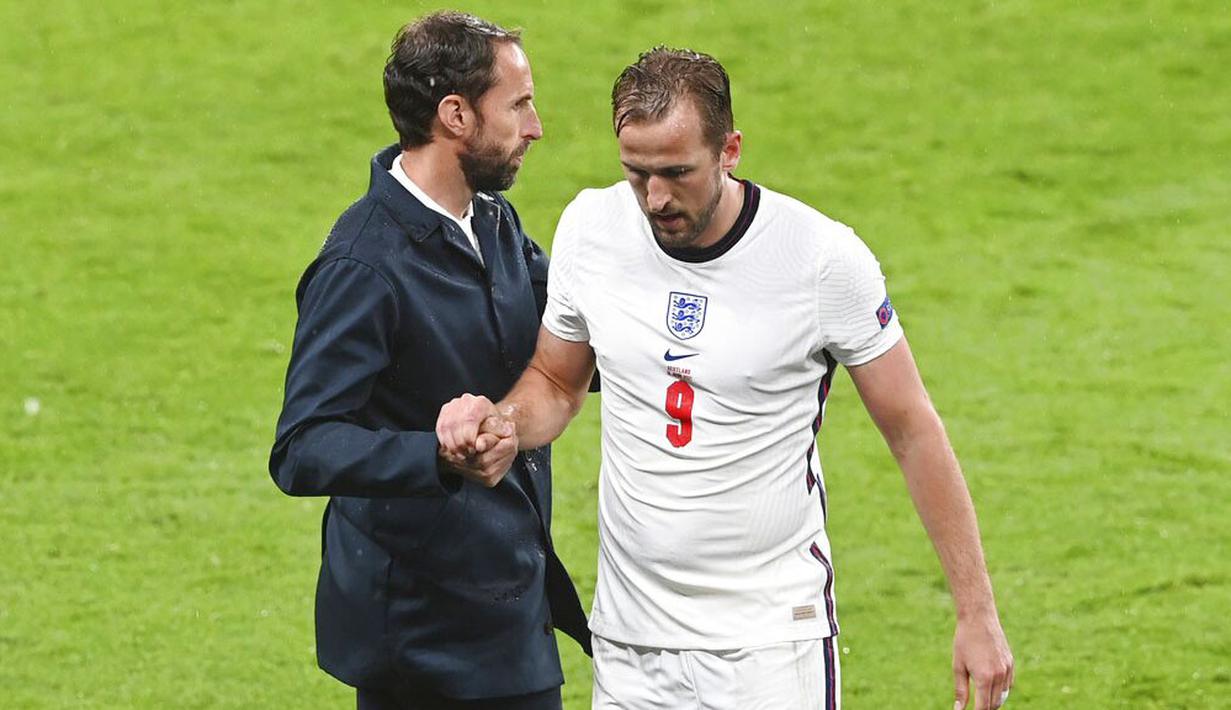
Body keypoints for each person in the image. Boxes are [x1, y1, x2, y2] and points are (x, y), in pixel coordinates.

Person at [436, 47, 1014, 710]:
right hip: (629, 642)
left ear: (729, 149)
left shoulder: (820, 260)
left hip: (768, 647)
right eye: (636, 173)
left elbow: (911, 428)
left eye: (676, 173)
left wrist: (976, 613)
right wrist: (505, 425)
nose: (655, 198)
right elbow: (557, 381)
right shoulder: (591, 229)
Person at [269, 12, 590, 710]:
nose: (535, 127)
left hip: (508, 613)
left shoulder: (494, 224)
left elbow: (566, 343)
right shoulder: (364, 267)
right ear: (455, 115)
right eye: (518, 104)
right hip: (422, 647)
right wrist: (435, 456)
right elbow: (301, 447)